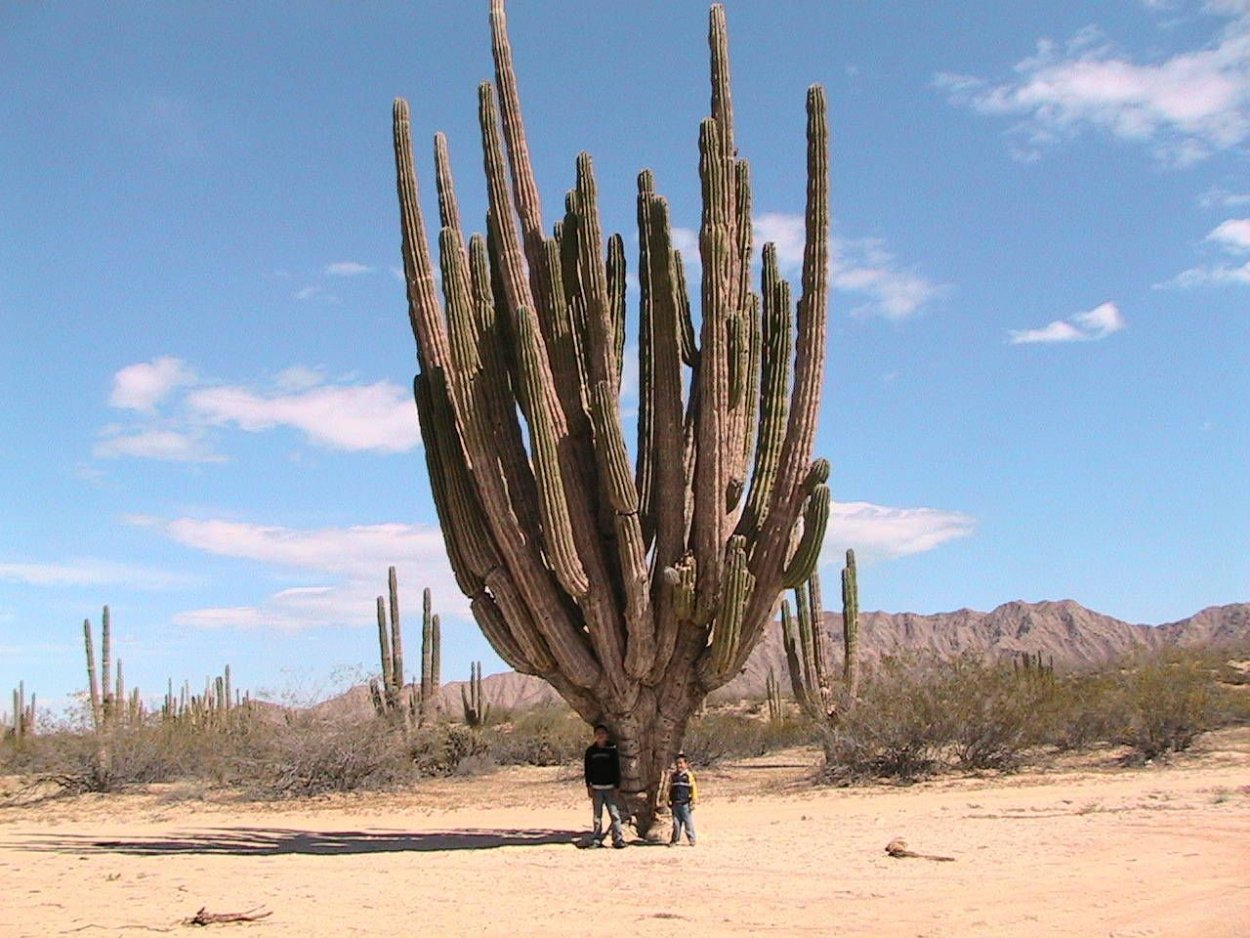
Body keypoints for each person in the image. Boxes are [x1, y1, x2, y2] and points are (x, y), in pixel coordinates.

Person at [583, 724, 627, 848]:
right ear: (595, 735)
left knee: (614, 814)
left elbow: (616, 769)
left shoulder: (612, 750)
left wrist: (617, 786)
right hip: (596, 788)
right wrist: (588, 786)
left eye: (602, 733)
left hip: (610, 788)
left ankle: (618, 839)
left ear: (606, 735)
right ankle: (596, 839)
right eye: (598, 733)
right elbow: (587, 770)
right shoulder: (590, 751)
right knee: (597, 816)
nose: (600, 735)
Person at [667, 753, 698, 846]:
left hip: (685, 804)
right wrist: (668, 799)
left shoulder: (688, 776)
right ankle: (674, 840)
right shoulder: (673, 776)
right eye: (677, 763)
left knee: (688, 823)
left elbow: (693, 789)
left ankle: (692, 839)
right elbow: (669, 789)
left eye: (681, 763)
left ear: (686, 764)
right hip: (675, 804)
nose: (679, 765)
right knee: (676, 824)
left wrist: (694, 801)